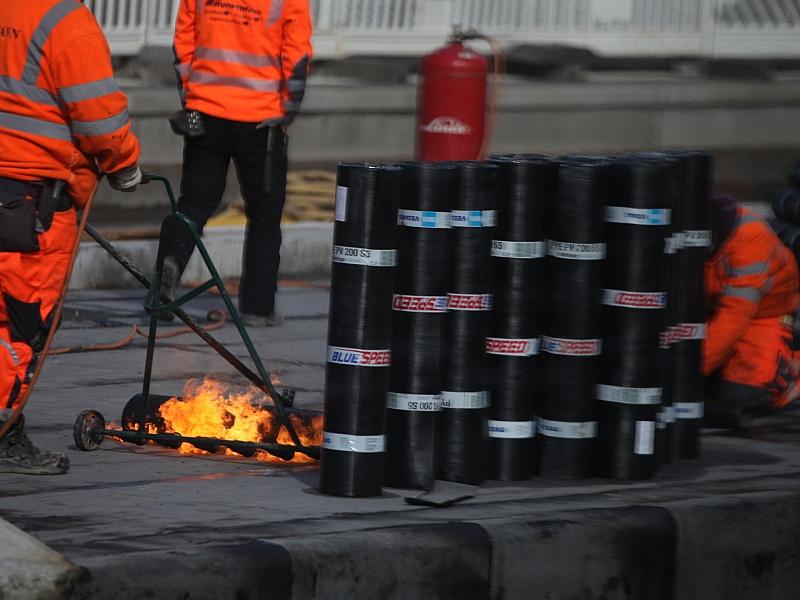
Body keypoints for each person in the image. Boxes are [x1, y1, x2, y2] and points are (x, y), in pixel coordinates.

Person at [0, 0, 141, 474]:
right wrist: (124, 166)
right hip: (27, 204)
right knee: (18, 322)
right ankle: (3, 434)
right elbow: (100, 118)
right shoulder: (65, 23)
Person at [160, 0, 313, 326]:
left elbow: (183, 40)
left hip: (206, 111)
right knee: (264, 214)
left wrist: (191, 95)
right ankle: (258, 309)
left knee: (195, 203)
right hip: (261, 119)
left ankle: (168, 269)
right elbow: (297, 56)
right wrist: (287, 110)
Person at [704, 194, 800, 428]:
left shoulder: (751, 239)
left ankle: (791, 370)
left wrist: (690, 368)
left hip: (767, 314)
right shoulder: (685, 226)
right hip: (714, 309)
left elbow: (734, 317)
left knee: (745, 394)